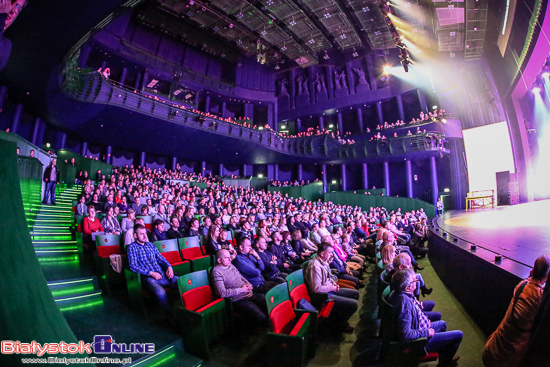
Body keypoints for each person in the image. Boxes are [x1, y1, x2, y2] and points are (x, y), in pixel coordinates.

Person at [482, 255, 550, 367]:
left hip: (491, 350)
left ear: (532, 271)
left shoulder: (520, 286)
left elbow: (530, 282)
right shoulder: (540, 297)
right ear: (546, 277)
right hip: (509, 358)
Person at [388, 269, 462, 367]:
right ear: (407, 288)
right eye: (414, 281)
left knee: (442, 324)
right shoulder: (404, 304)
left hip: (420, 326)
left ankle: (444, 359)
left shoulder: (400, 293)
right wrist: (427, 332)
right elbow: (405, 334)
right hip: (420, 341)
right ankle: (445, 363)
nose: (416, 282)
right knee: (458, 335)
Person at [304, 242, 359, 333]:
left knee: (355, 293)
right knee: (354, 304)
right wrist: (332, 288)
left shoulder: (324, 261)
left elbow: (328, 277)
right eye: (329, 252)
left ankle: (339, 321)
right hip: (323, 295)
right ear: (322, 253)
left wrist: (333, 283)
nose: (331, 255)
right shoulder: (315, 266)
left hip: (329, 289)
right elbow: (316, 289)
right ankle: (337, 327)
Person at [127, 224, 178, 319]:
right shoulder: (132, 247)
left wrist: (169, 266)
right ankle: (169, 317)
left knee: (182, 282)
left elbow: (161, 258)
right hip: (150, 279)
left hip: (163, 275)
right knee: (160, 292)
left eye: (145, 233)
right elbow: (133, 266)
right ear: (135, 235)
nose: (145, 236)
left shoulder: (151, 245)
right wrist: (151, 273)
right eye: (141, 234)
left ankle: (184, 311)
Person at [212, 249, 268, 329]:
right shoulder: (216, 272)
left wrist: (249, 284)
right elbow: (222, 293)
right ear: (219, 260)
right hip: (238, 300)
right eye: (227, 258)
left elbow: (241, 277)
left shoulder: (230, 265)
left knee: (267, 301)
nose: (230, 259)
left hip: (248, 293)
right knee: (261, 317)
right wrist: (242, 290)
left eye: (229, 257)